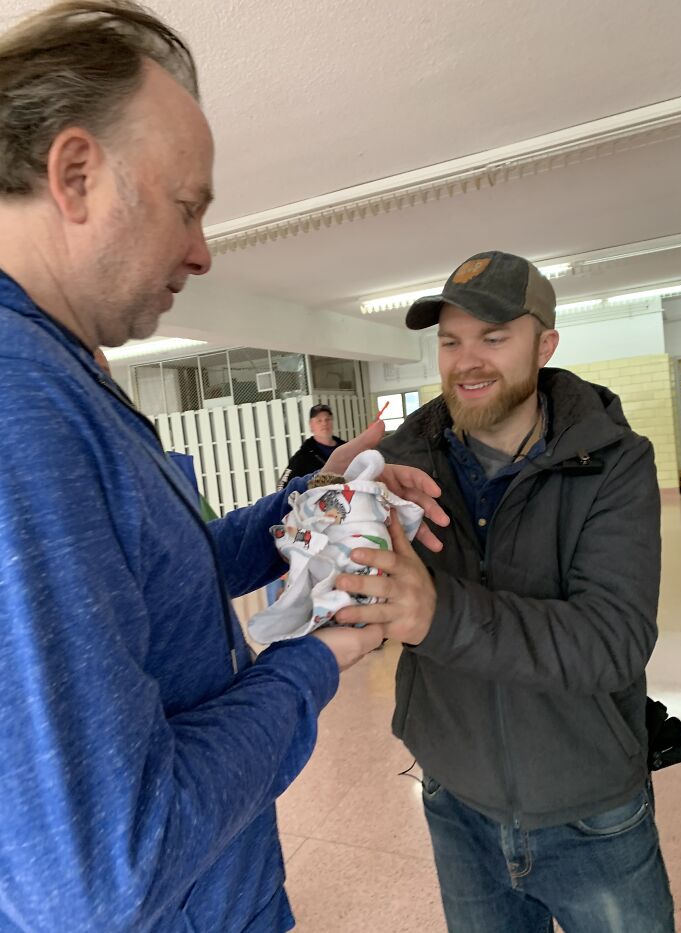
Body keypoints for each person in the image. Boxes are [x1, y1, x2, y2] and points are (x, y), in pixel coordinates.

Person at [0, 4, 448, 931]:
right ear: (75, 175)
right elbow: (106, 872)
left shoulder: (61, 375)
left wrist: (317, 496)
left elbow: (156, 578)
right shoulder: (21, 405)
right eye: (187, 207)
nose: (202, 252)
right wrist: (317, 659)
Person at [333, 251, 675, 932]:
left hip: (592, 809)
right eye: (451, 341)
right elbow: (331, 579)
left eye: (493, 337)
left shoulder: (613, 460)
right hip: (455, 800)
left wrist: (440, 613)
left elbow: (613, 640)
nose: (468, 361)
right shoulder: (406, 459)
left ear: (544, 346)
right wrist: (331, 491)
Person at [277, 403, 346, 489]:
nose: (324, 423)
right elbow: (282, 486)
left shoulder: (346, 449)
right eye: (319, 421)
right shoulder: (302, 457)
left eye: (327, 419)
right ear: (311, 425)